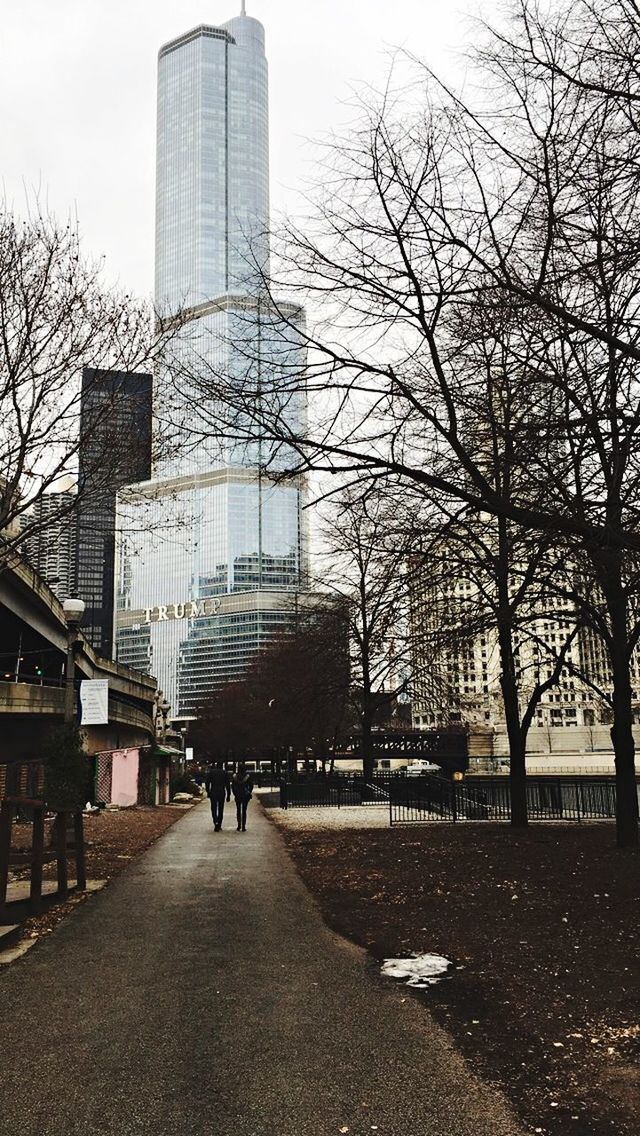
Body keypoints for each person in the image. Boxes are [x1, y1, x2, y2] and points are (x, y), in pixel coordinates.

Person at [205, 761, 231, 831]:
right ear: (222, 766)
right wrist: (228, 794)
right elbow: (228, 784)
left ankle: (215, 821)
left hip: (213, 791)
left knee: (213, 808)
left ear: (216, 766)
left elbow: (207, 782)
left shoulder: (211, 772)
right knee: (220, 808)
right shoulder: (225, 773)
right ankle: (219, 823)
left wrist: (208, 791)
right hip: (221, 791)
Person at [231, 762, 253, 832]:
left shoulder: (235, 776)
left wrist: (234, 793)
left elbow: (232, 786)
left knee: (238, 810)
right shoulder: (247, 776)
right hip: (245, 795)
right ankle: (243, 826)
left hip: (237, 795)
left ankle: (238, 825)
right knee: (244, 810)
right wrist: (249, 791)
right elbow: (251, 786)